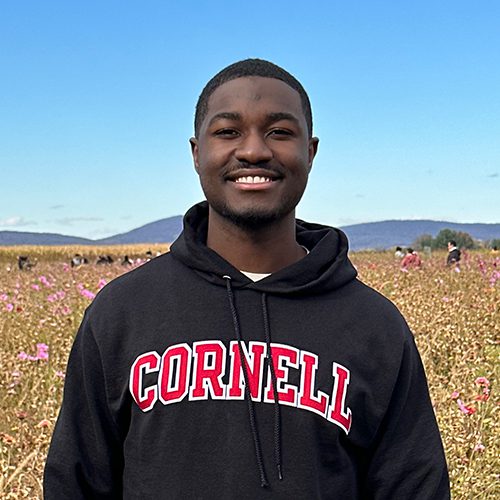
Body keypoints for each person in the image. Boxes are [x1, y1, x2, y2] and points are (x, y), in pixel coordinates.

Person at [44, 59, 450, 499]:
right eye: (227, 132)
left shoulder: (375, 326)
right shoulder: (121, 312)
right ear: (196, 152)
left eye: (279, 132)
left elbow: (415, 488)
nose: (254, 151)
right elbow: (76, 482)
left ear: (310, 153)